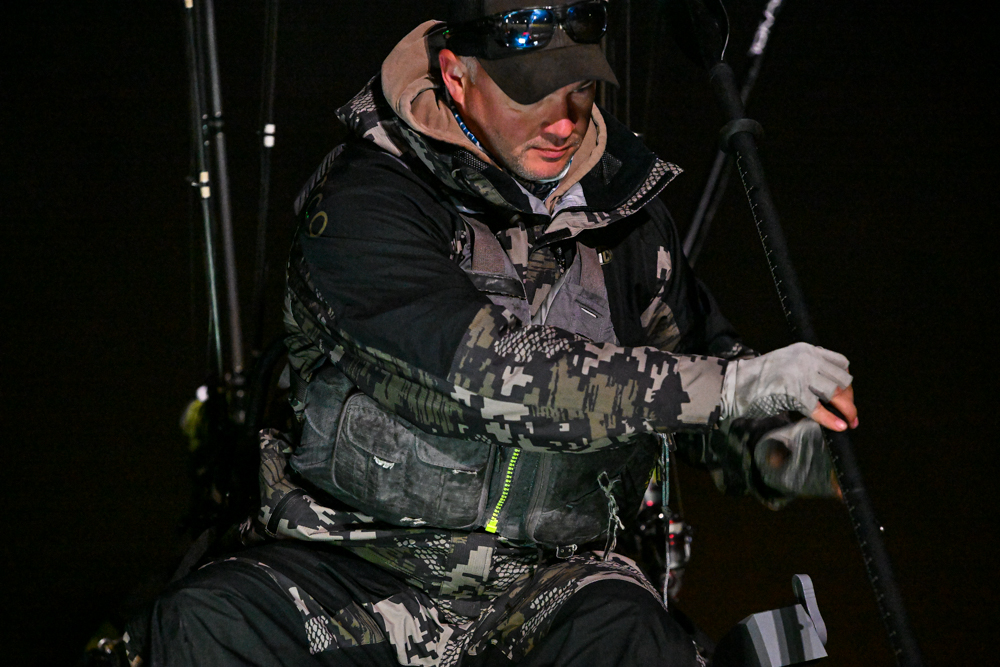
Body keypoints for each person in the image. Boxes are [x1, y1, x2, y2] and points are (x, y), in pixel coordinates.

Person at [126, 2, 857, 665]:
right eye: (530, 91)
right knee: (206, 621)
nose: (564, 118)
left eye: (580, 88)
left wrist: (775, 446)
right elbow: (480, 376)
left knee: (634, 637)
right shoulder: (364, 203)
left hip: (556, 578)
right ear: (455, 74)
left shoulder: (631, 220)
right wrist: (730, 387)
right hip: (359, 564)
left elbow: (701, 390)